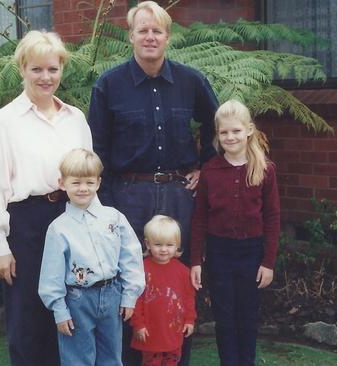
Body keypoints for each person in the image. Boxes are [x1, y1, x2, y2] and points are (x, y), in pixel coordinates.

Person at [88, 2, 218, 364]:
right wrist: (108, 202)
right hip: (128, 199)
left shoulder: (192, 82)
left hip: (179, 197)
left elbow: (217, 127)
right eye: (142, 30)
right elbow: (96, 148)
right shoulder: (109, 85)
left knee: (177, 282)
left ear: (167, 37)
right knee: (131, 285)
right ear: (131, 35)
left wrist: (204, 166)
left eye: (157, 30)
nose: (150, 36)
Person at [0, 30, 92, 365]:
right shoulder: (4, 122)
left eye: (53, 69)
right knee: (27, 318)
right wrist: (0, 246)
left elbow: (89, 175)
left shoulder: (76, 119)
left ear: (61, 70)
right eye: (37, 69)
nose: (46, 77)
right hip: (27, 227)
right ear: (22, 69)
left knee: (71, 315)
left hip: (72, 220)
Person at [189, 99, 281, 366]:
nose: (230, 137)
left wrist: (268, 262)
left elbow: (273, 217)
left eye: (236, 131)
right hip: (219, 253)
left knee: (248, 317)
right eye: (224, 132)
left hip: (252, 253)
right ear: (217, 135)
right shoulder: (210, 171)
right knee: (225, 317)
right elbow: (200, 219)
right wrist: (196, 260)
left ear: (249, 130)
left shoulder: (264, 169)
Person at [38, 148, 145, 366]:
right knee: (78, 359)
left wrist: (129, 295)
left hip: (113, 295)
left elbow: (130, 257)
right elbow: (51, 274)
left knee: (112, 358)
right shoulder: (58, 229)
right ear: (62, 183)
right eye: (76, 182)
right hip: (77, 301)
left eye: (89, 182)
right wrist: (59, 310)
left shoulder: (114, 218)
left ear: (98, 183)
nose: (83, 188)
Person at [130, 215, 196, 366]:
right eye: (158, 244)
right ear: (148, 244)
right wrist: (138, 324)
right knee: (150, 362)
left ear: (177, 245)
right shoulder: (142, 269)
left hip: (173, 329)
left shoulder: (183, 271)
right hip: (149, 332)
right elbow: (135, 299)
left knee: (172, 361)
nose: (164, 249)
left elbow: (188, 297)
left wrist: (190, 320)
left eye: (169, 245)